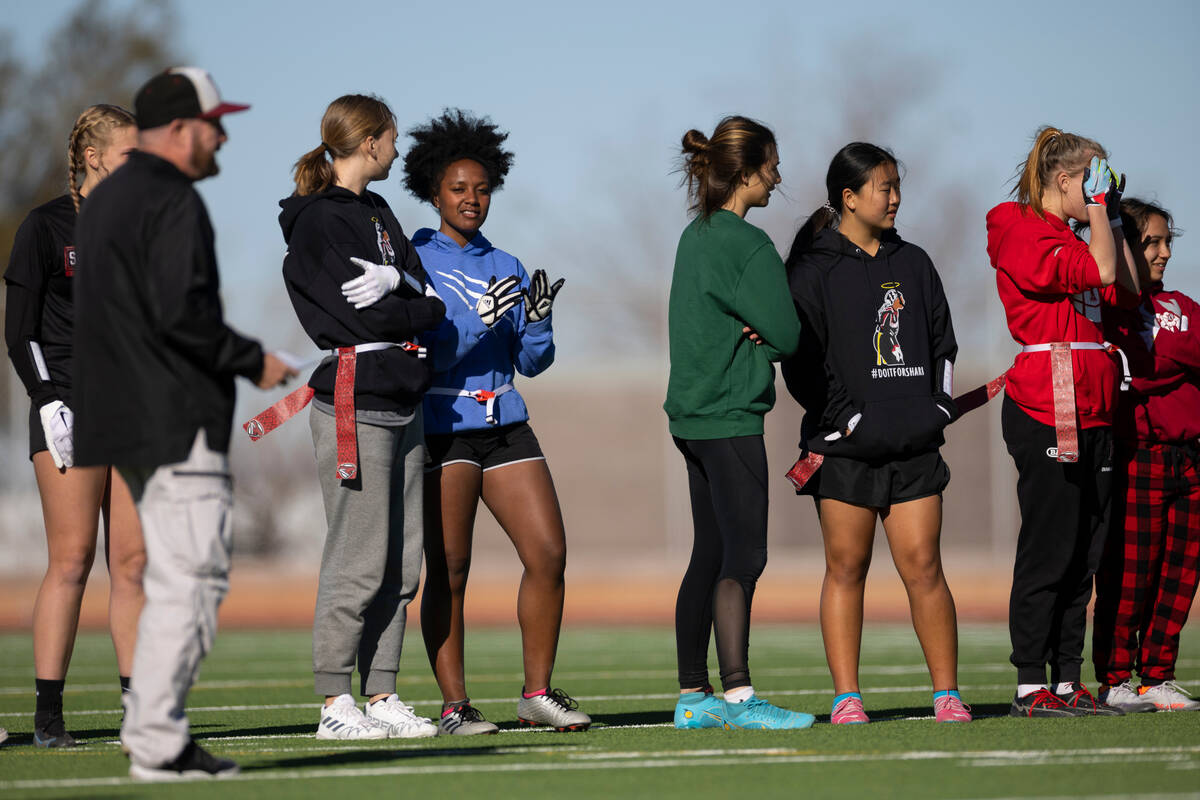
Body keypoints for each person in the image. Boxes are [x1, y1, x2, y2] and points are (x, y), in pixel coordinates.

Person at [73, 67, 294, 778]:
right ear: (177, 129)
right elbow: (180, 315)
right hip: (174, 416)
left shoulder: (105, 201)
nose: (222, 133)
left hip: (125, 418)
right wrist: (252, 359)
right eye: (213, 122)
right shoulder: (171, 198)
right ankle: (160, 743)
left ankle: (151, 734)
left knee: (170, 576)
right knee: (190, 579)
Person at [391, 109, 587, 734]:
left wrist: (537, 319)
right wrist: (479, 317)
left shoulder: (506, 261)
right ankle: (454, 706)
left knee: (548, 552)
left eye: (482, 189)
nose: (472, 199)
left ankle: (537, 693)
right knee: (451, 569)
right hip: (442, 423)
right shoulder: (414, 259)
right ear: (432, 192)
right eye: (458, 188)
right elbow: (429, 352)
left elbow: (532, 361)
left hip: (505, 420)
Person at [780, 142, 971, 724]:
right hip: (845, 451)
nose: (894, 198)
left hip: (914, 444)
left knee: (925, 568)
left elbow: (943, 342)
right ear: (849, 197)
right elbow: (801, 365)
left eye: (896, 187)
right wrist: (846, 418)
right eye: (884, 188)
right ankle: (847, 698)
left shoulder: (913, 261)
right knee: (846, 568)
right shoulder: (812, 270)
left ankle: (946, 694)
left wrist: (936, 407)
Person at [279, 94, 445, 740]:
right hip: (356, 396)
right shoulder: (319, 221)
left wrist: (400, 284)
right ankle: (333, 702)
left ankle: (381, 694)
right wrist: (405, 299)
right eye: (391, 138)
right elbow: (361, 320)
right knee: (358, 554)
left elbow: (432, 304)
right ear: (369, 141)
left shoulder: (379, 211)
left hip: (404, 395)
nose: (398, 150)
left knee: (404, 562)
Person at [985, 126, 1140, 718]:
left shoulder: (1084, 233)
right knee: (1049, 547)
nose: (1101, 191)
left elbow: (1123, 284)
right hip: (1049, 405)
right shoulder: (1018, 229)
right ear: (1065, 180)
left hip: (1096, 404)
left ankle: (1069, 676)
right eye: (1093, 178)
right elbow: (1099, 271)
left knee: (1086, 553)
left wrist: (1113, 215)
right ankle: (1031, 680)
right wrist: (1099, 211)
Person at [664, 115, 811, 731]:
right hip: (729, 420)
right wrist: (765, 332)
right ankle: (739, 697)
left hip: (692, 419)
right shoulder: (747, 244)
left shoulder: (694, 236)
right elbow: (789, 334)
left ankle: (692, 697)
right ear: (746, 173)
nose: (779, 176)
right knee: (743, 556)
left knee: (709, 554)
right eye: (772, 165)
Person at [3, 104, 143, 748]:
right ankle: (48, 718)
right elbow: (19, 330)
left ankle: (142, 709)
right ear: (94, 158)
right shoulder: (45, 226)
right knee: (72, 560)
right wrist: (47, 399)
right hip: (67, 409)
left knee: (135, 563)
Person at [1093, 198, 1200, 712]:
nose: (1162, 253)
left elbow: (1162, 363)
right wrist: (1176, 363)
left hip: (1191, 461)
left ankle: (1157, 676)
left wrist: (1166, 364)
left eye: (1166, 242)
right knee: (1129, 575)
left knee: (1179, 577)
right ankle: (1115, 677)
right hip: (1138, 457)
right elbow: (1146, 365)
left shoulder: (1184, 307)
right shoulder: (1111, 306)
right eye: (1150, 242)